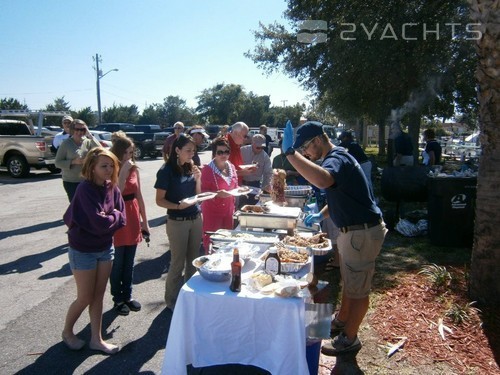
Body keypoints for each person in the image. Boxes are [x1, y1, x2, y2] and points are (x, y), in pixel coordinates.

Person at [281, 121, 387, 357]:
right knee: (350, 282)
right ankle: (341, 320)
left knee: (358, 289)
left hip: (361, 232)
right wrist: (322, 213)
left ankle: (349, 338)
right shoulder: (337, 158)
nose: (306, 154)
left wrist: (290, 155)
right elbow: (340, 193)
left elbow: (323, 181)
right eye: (301, 151)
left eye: (305, 148)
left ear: (318, 141)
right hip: (353, 231)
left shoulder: (336, 158)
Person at [62, 147, 126, 355]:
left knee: (98, 295)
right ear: (92, 167)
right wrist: (112, 216)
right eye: (103, 166)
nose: (108, 170)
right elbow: (99, 223)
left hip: (105, 248)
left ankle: (96, 340)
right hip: (83, 250)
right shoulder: (84, 189)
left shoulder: (112, 188)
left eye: (111, 166)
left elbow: (122, 217)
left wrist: (111, 216)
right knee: (85, 297)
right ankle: (67, 332)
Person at [154, 134, 202, 310]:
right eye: (188, 150)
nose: (192, 153)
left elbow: (197, 194)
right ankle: (172, 302)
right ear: (177, 150)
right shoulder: (166, 170)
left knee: (194, 261)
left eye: (193, 150)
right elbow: (159, 200)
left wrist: (198, 179)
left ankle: (189, 297)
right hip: (177, 221)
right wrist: (177, 206)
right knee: (177, 262)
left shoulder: (191, 167)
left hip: (195, 217)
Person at [109, 134, 150, 316]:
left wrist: (145, 222)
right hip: (118, 215)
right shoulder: (110, 168)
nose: (129, 156)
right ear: (118, 153)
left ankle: (128, 295)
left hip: (132, 215)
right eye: (126, 152)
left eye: (132, 152)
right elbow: (115, 192)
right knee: (118, 262)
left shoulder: (134, 169)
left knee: (129, 261)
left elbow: (139, 195)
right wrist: (124, 169)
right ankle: (117, 299)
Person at [200, 137, 239, 252]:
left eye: (226, 151)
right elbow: (202, 193)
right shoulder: (207, 169)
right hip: (212, 211)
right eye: (220, 152)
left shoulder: (231, 167)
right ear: (214, 153)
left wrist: (240, 190)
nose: (224, 155)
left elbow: (235, 186)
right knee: (212, 241)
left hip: (228, 210)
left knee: (226, 241)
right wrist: (217, 194)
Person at [55, 119, 101, 202]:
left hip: (87, 180)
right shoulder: (66, 144)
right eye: (77, 129)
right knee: (76, 206)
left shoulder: (87, 142)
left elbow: (100, 150)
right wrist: (73, 162)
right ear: (72, 130)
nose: (80, 132)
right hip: (71, 181)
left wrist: (89, 135)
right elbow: (57, 163)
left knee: (89, 205)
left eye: (82, 129)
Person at [239, 134, 272, 206]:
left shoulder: (264, 156)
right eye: (258, 147)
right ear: (252, 143)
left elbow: (268, 173)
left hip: (255, 184)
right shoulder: (242, 151)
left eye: (262, 147)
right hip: (241, 183)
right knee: (239, 206)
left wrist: (265, 188)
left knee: (253, 207)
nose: (260, 149)